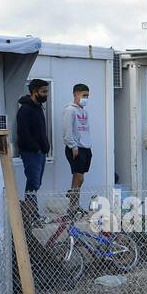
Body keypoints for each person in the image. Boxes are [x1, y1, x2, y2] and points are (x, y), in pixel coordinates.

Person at [16, 79, 52, 218]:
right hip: (31, 153)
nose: (46, 94)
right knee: (32, 183)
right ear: (34, 92)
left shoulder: (38, 108)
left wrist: (45, 147)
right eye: (43, 91)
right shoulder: (25, 110)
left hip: (40, 152)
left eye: (47, 91)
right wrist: (36, 148)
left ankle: (32, 214)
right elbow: (23, 133)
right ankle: (31, 215)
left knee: (36, 184)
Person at [62, 83, 92, 215]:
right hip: (76, 148)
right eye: (83, 95)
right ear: (75, 95)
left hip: (86, 147)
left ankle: (75, 204)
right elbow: (67, 131)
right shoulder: (70, 110)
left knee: (81, 178)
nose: (86, 98)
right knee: (78, 177)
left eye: (87, 96)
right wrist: (73, 146)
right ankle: (72, 206)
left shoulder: (84, 111)